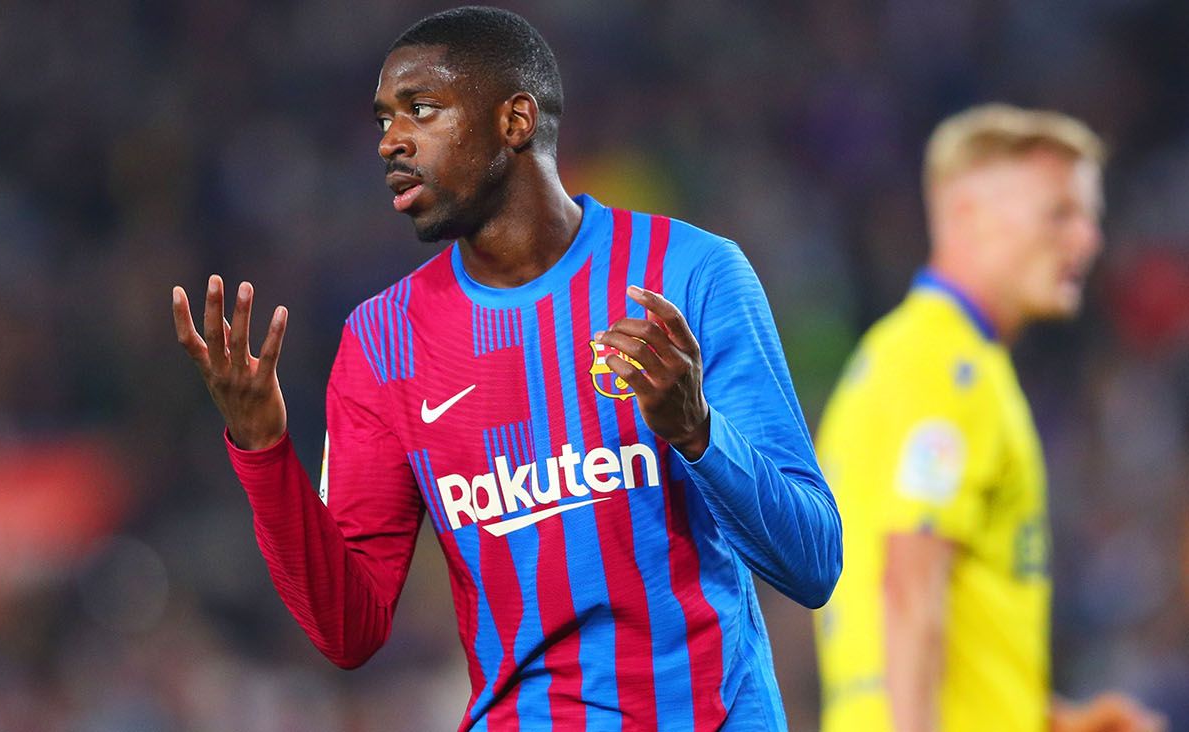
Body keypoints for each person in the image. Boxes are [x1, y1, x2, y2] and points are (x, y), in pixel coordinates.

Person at [171, 6, 840, 731]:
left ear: (515, 121)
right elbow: (347, 630)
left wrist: (699, 433)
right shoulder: (381, 342)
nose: (391, 141)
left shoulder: (690, 273)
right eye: (383, 120)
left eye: (421, 110)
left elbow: (812, 561)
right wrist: (262, 446)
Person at [813, 104, 1165, 732]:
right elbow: (909, 587)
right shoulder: (949, 369)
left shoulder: (908, 355)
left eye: (1090, 216)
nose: (1088, 238)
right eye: (1059, 213)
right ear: (967, 215)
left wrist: (1049, 720)